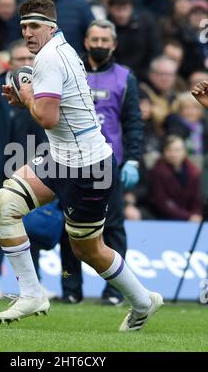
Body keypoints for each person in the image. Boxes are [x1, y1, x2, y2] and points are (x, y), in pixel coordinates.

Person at [0, 0, 163, 330]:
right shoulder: (60, 51)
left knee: (89, 250)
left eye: (35, 25)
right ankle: (31, 292)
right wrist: (29, 99)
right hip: (61, 158)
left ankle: (143, 302)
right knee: (0, 206)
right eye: (23, 26)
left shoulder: (50, 59)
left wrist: (26, 94)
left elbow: (49, 118)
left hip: (88, 168)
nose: (28, 33)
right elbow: (55, 111)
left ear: (51, 27)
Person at [59, 19, 143, 305]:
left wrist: (132, 159)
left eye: (104, 40)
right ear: (85, 41)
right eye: (94, 39)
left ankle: (113, 292)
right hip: (70, 161)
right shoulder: (70, 69)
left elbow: (133, 122)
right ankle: (70, 289)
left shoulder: (124, 77)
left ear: (114, 44)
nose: (99, 45)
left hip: (109, 164)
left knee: (114, 227)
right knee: (68, 227)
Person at [0, 39, 46, 300]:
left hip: (31, 169)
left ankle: (33, 280)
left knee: (31, 224)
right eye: (19, 60)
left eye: (29, 59)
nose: (25, 64)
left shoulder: (42, 91)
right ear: (9, 63)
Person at [149, 135, 202, 222]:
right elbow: (161, 203)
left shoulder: (194, 173)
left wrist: (196, 214)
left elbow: (197, 200)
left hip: (192, 220)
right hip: (165, 219)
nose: (173, 154)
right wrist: (188, 216)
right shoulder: (157, 171)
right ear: (164, 152)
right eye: (169, 150)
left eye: (177, 150)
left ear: (184, 152)